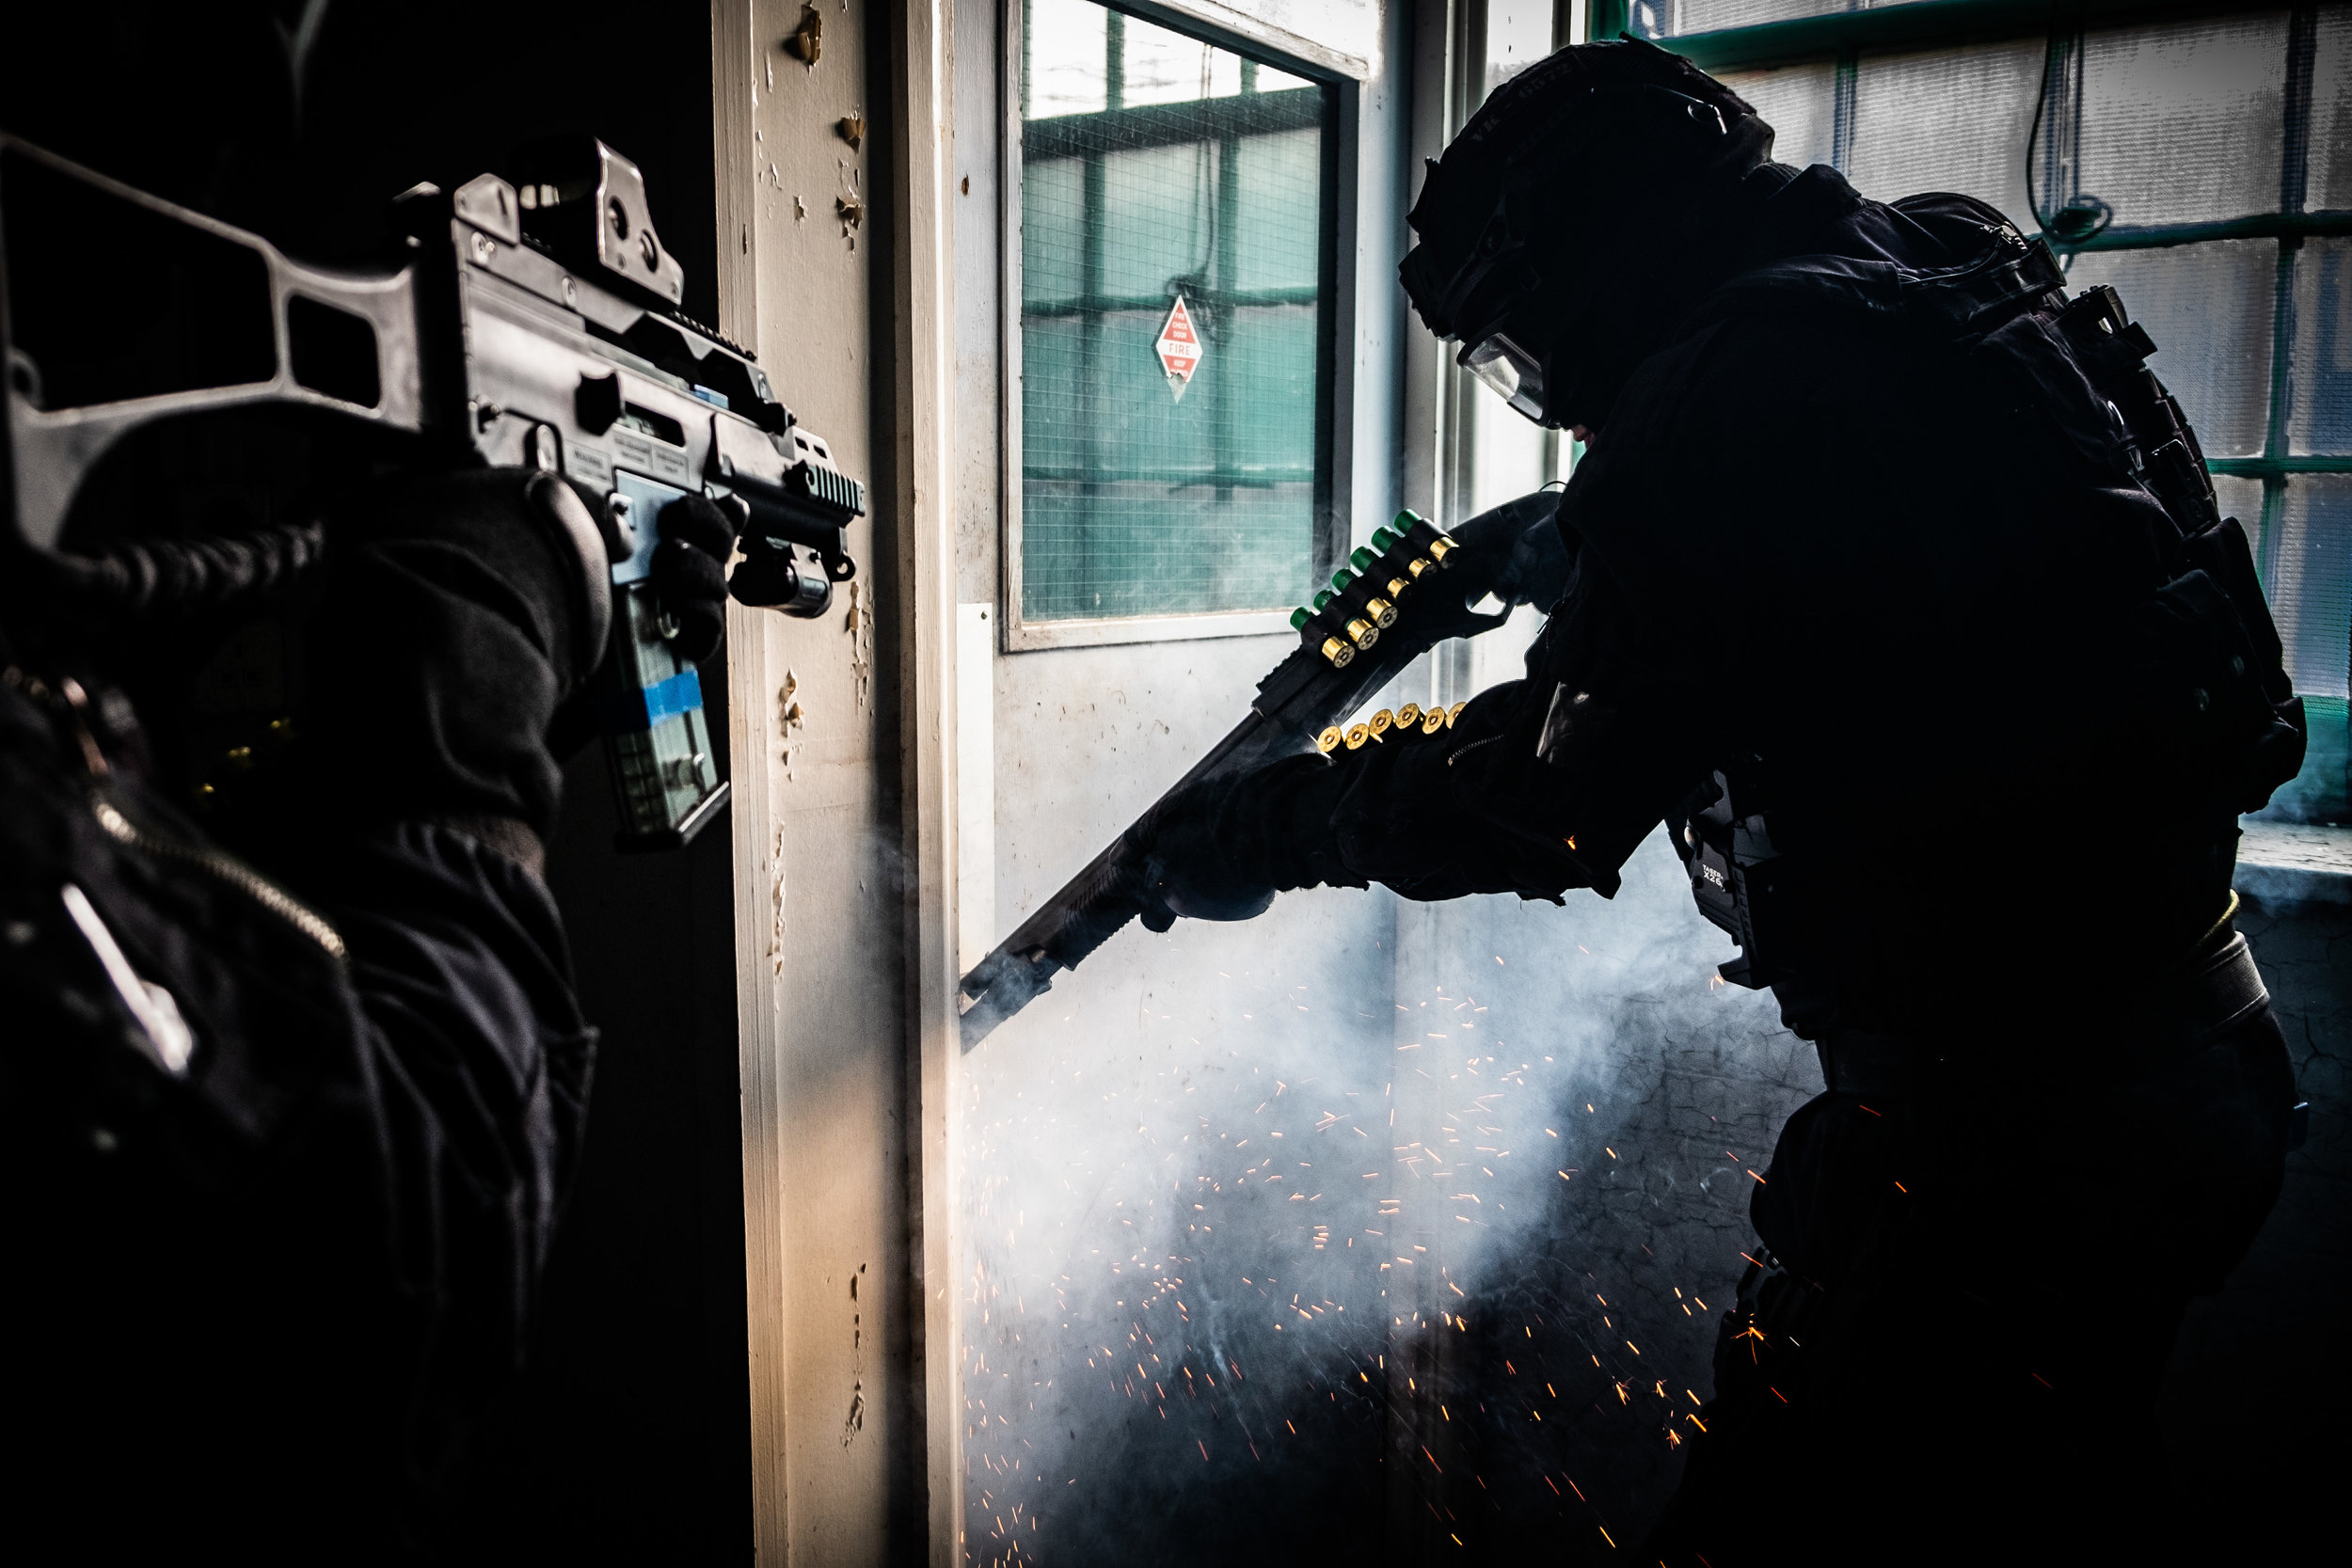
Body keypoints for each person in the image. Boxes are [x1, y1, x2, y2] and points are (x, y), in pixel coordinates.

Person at [1120, 38, 2305, 1563]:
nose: (1547, 403)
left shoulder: (1731, 393)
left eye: (1524, 353)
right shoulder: (1938, 257)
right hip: (2195, 1060)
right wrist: (1585, 552)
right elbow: (1900, 576)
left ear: (1604, 262)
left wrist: (1263, 830)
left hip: (2012, 1151)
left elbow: (1542, 806)